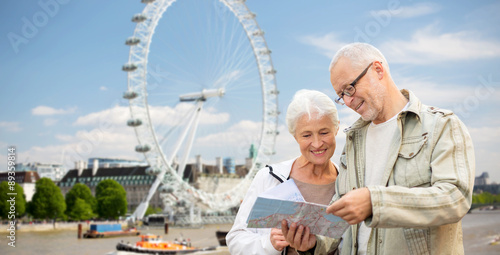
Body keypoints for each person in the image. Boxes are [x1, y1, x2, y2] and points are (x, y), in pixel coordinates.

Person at [284, 43, 475, 255]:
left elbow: (455, 199)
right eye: (341, 95)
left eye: (350, 89)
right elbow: (340, 216)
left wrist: (375, 202)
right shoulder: (353, 140)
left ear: (378, 70)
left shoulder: (441, 125)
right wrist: (312, 244)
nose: (348, 101)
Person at [226, 89, 342, 255]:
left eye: (324, 132)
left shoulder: (347, 182)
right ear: (295, 136)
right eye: (306, 135)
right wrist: (270, 244)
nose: (316, 144)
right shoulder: (268, 178)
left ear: (336, 128)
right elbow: (235, 240)